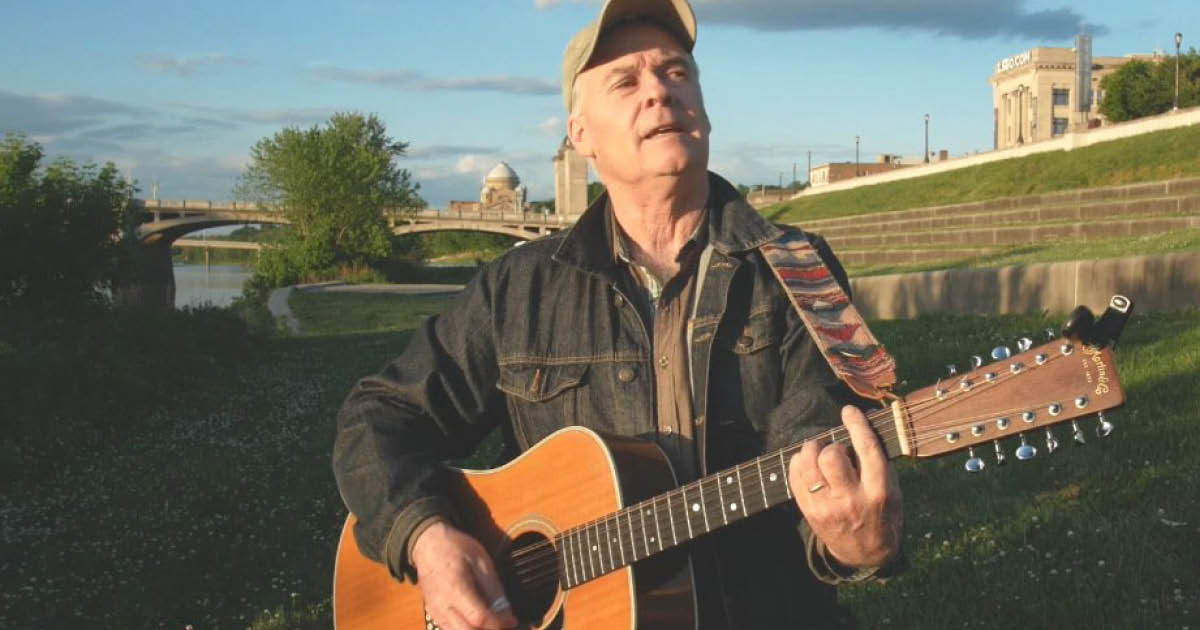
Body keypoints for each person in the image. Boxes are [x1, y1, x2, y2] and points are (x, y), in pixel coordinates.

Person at [333, 0, 904, 628]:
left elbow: (822, 458)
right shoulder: (518, 288)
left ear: (704, 108)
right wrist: (427, 537)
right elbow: (377, 419)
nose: (659, 92)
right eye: (625, 82)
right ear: (580, 136)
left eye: (677, 72)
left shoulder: (797, 270)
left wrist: (854, 545)